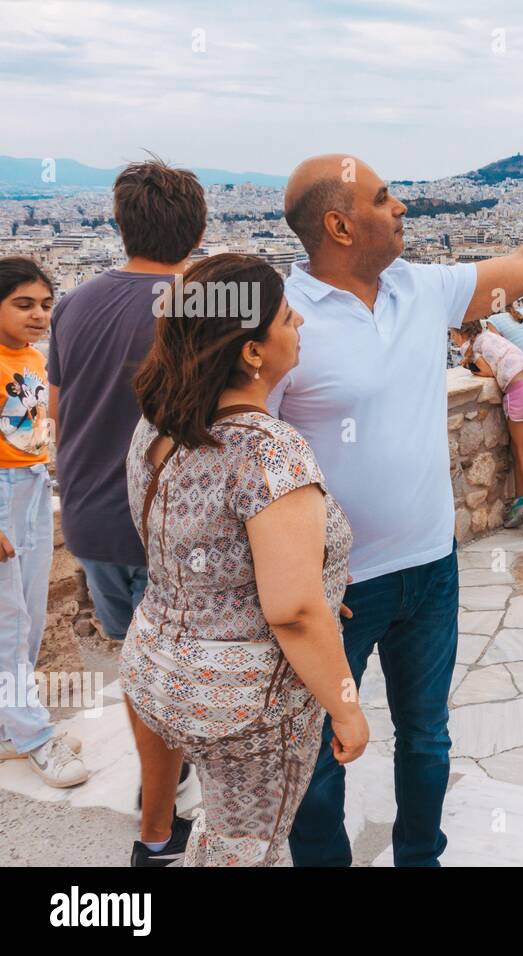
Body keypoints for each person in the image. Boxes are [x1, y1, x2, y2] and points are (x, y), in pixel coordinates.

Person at [276, 144, 523, 866]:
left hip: (429, 565)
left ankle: (421, 857)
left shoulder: (420, 288)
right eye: (385, 198)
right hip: (335, 587)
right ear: (341, 227)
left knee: (427, 735)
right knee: (317, 751)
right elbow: (248, 453)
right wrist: (294, 580)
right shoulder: (283, 320)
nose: (404, 207)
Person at [120, 254, 365, 865]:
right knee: (242, 851)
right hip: (243, 703)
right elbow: (295, 612)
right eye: (285, 316)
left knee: (219, 835)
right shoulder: (269, 451)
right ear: (253, 351)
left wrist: (323, 574)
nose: (300, 322)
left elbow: (179, 541)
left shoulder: (157, 422)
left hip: (155, 669)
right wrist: (346, 705)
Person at [46, 159, 204, 862]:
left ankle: (162, 784)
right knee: (182, 667)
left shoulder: (73, 304)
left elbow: (58, 412)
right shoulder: (204, 308)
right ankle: (165, 808)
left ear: (117, 225)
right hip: (175, 525)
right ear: (199, 228)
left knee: (140, 664)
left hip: (92, 516)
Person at [0, 258, 89, 791]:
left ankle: (12, 726)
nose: (40, 314)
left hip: (30, 485)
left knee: (28, 617)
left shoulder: (32, 357)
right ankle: (34, 738)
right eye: (24, 304)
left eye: (46, 304)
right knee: (9, 623)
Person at [452, 320, 523, 536]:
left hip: (518, 394)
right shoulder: (492, 338)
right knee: (521, 450)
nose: (452, 339)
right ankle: (522, 502)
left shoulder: (474, 346)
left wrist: (470, 368)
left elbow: (485, 371)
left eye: (452, 335)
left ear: (460, 333)